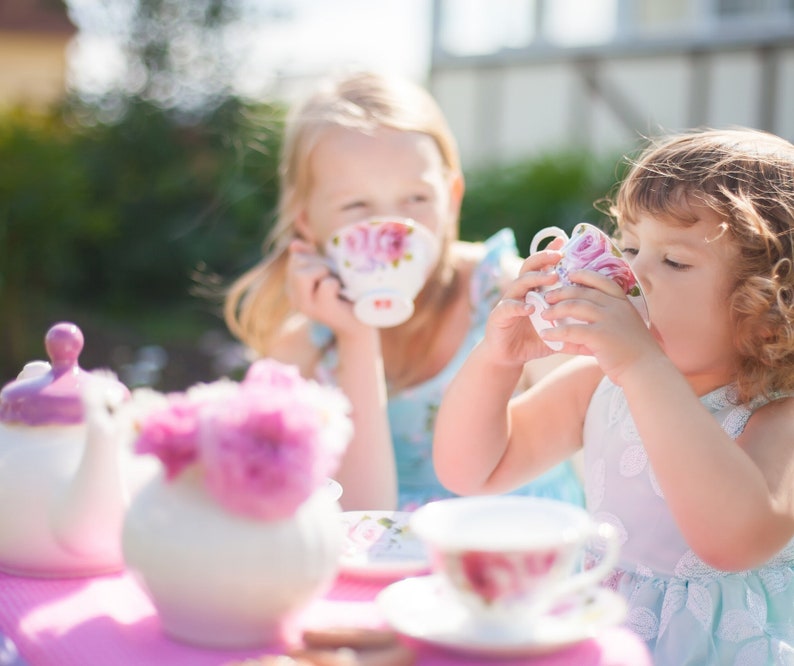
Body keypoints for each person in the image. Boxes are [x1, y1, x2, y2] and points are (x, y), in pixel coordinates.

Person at [433, 127, 794, 664]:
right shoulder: (600, 383)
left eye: (674, 261)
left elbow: (733, 541)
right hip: (602, 633)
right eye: (628, 247)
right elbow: (472, 471)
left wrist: (643, 366)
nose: (632, 273)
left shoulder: (778, 416)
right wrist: (496, 359)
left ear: (768, 306)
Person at [223, 70, 584, 511]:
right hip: (388, 563)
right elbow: (360, 517)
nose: (394, 229)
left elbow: (593, 443)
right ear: (305, 220)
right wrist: (357, 337)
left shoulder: (511, 299)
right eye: (357, 206)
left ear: (451, 198)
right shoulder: (305, 348)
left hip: (520, 548)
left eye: (416, 199)